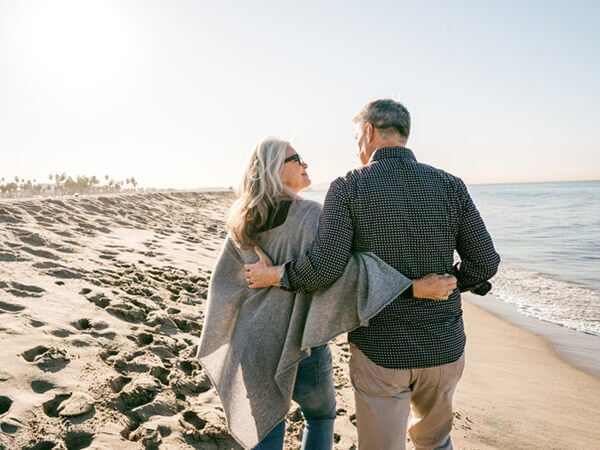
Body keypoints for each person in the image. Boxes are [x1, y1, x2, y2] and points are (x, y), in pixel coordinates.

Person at [244, 99, 501, 450]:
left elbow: (324, 268)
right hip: (444, 345)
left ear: (368, 132)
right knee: (436, 442)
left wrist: (278, 275)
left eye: (355, 137)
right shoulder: (450, 184)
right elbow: (485, 262)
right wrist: (455, 281)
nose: (356, 146)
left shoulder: (349, 186)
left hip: (382, 348)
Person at [197, 136, 456, 450]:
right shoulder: (312, 215)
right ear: (274, 169)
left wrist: (263, 280)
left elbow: (224, 283)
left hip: (253, 344)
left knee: (266, 427)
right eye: (296, 159)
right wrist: (412, 286)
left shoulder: (242, 220)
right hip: (302, 344)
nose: (305, 164)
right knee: (319, 417)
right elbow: (344, 272)